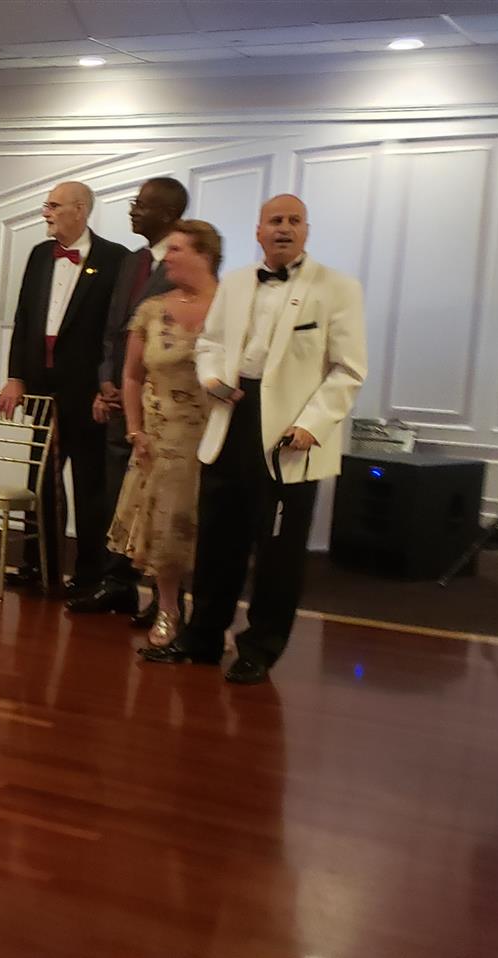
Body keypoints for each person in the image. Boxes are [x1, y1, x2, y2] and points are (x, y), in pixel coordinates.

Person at [142, 195, 367, 685]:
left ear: (306, 230)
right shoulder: (238, 282)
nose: (284, 228)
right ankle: (202, 637)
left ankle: (261, 648)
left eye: (294, 221)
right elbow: (210, 344)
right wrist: (212, 379)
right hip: (231, 418)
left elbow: (348, 369)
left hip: (291, 434)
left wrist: (313, 424)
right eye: (275, 221)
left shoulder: (337, 288)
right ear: (259, 231)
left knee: (277, 552)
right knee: (218, 540)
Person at [0, 181, 131, 592]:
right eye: (47, 205)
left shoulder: (115, 259)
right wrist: (16, 376)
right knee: (40, 480)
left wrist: (106, 386)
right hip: (42, 386)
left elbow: (116, 331)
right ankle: (40, 565)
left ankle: (90, 575)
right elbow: (24, 319)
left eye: (54, 206)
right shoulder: (40, 255)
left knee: (90, 483)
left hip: (87, 391)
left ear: (80, 210)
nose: (46, 212)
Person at [73, 177, 191, 620]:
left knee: (160, 502)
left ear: (169, 214)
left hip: (162, 406)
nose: (132, 210)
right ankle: (117, 584)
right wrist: (106, 381)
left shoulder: (185, 265)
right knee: (116, 496)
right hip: (121, 400)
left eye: (141, 205)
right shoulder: (132, 261)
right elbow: (113, 331)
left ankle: (165, 599)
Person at [108, 219, 221, 648]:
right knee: (165, 529)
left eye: (176, 249)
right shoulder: (152, 310)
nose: (167, 257)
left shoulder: (232, 308)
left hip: (214, 437)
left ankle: (210, 617)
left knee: (210, 529)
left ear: (203, 255)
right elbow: (132, 375)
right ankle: (168, 609)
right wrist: (135, 429)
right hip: (161, 437)